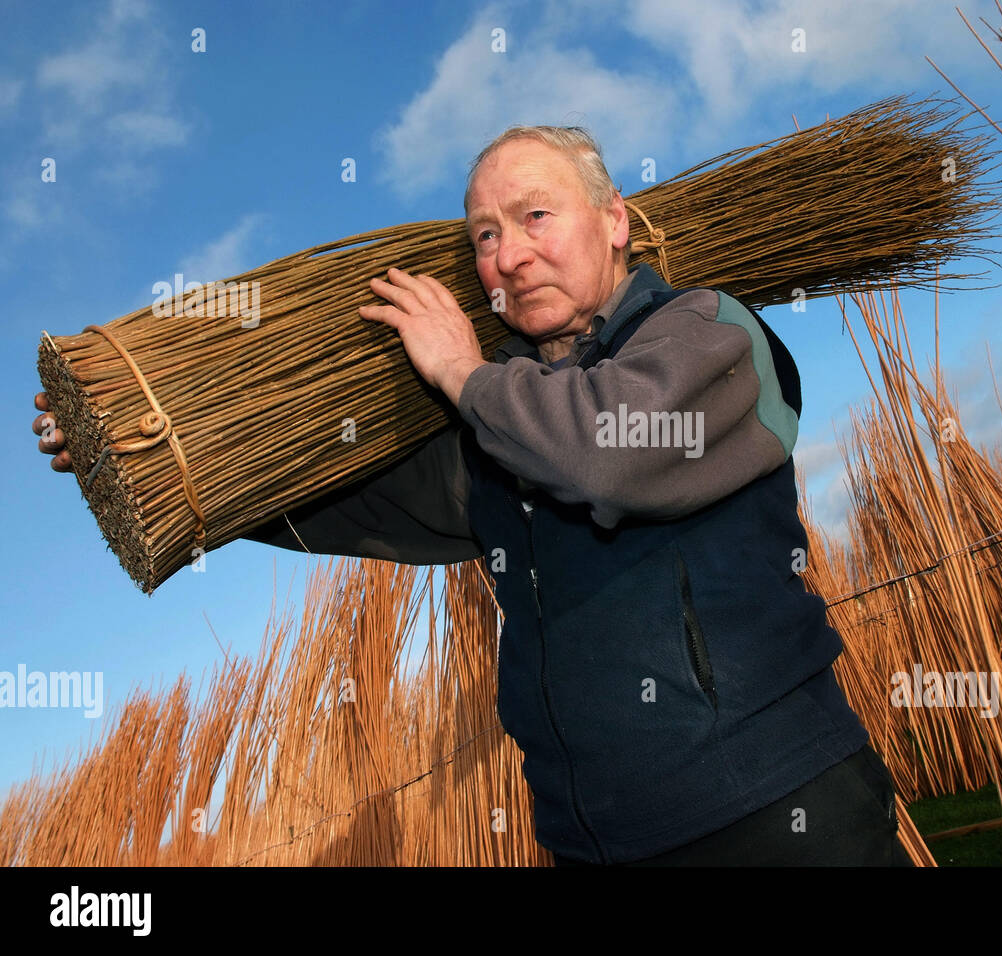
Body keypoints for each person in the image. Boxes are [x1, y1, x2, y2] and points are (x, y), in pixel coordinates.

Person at [33, 125, 912, 867]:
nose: (511, 253)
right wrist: (167, 464)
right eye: (484, 237)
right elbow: (358, 503)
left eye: (535, 216)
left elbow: (605, 454)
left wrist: (458, 366)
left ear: (614, 223)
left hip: (774, 810)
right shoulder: (502, 425)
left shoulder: (706, 333)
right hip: (596, 840)